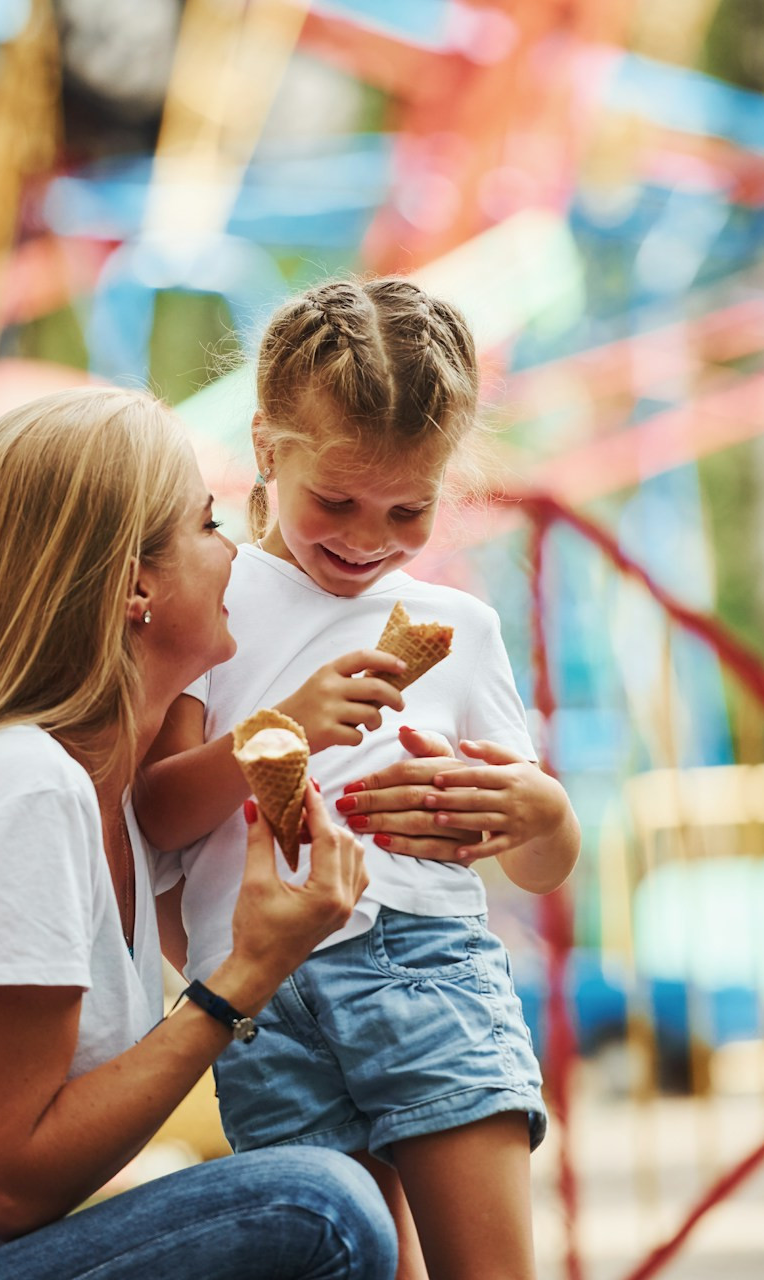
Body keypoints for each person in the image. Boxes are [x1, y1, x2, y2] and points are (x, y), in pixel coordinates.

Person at [0, 388, 396, 1280]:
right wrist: (248, 972)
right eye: (208, 525)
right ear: (135, 586)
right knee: (320, 1211)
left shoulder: (115, 808)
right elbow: (8, 1184)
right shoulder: (26, 789)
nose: (237, 555)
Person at [135, 278, 581, 1280]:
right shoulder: (215, 597)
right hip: (260, 994)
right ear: (266, 449)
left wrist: (543, 812)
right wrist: (279, 726)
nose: (367, 535)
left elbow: (544, 862)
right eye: (334, 500)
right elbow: (158, 815)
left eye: (407, 509)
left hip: (424, 959)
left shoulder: (461, 632)